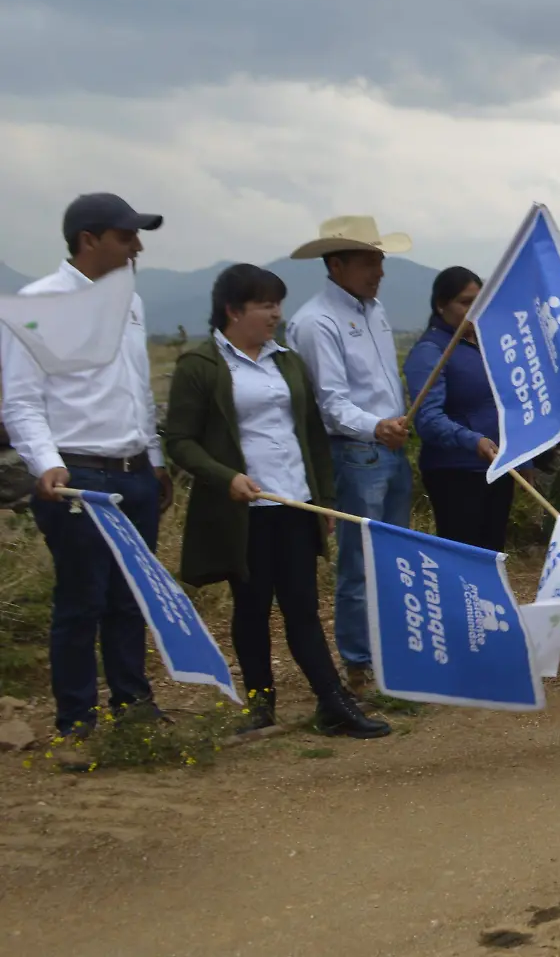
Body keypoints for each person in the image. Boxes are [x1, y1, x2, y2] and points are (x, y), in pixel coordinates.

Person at [164, 264, 388, 738]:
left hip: (294, 504)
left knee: (302, 606)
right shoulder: (202, 366)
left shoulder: (285, 361)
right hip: (246, 510)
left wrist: (323, 499)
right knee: (251, 607)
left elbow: (310, 433)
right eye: (265, 305)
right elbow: (180, 440)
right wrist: (225, 477)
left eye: (277, 304)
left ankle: (331, 702)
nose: (275, 314)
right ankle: (260, 703)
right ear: (232, 310)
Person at [1, 193, 172, 739]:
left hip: (134, 470)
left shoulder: (131, 301)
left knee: (131, 596)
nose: (137, 246)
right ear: (88, 240)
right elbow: (21, 402)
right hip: (78, 476)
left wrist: (155, 459)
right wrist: (47, 465)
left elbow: (135, 387)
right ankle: (77, 718)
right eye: (127, 237)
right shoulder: (39, 302)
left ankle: (133, 705)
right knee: (82, 600)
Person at [283, 215, 412, 693]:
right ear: (336, 263)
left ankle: (394, 651)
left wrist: (391, 424)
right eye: (369, 261)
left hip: (388, 448)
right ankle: (360, 661)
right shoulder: (316, 322)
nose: (379, 270)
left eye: (379, 259)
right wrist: (377, 425)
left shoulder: (373, 311)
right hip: (357, 453)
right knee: (360, 563)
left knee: (395, 557)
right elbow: (331, 403)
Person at [404, 267, 513, 551]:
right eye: (465, 302)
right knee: (464, 556)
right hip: (455, 473)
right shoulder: (431, 352)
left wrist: (520, 460)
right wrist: (471, 440)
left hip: (496, 468)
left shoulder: (485, 347)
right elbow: (427, 418)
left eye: (479, 301)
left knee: (493, 553)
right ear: (441, 305)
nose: (473, 310)